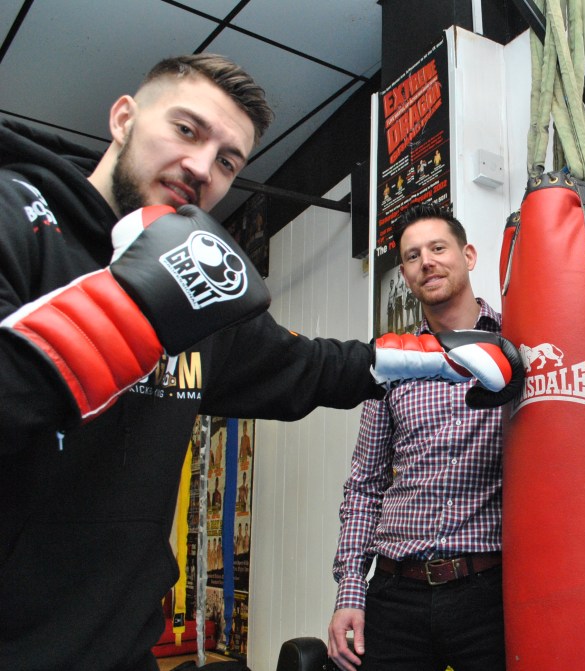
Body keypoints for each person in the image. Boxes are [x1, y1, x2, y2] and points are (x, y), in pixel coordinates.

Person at [0, 54, 521, 671]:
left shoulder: (203, 298)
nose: (201, 168)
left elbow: (305, 365)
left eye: (228, 161)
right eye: (187, 130)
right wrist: (125, 313)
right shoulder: (17, 216)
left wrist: (425, 358)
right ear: (123, 119)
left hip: (122, 645)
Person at [327, 203, 506, 671]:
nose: (425, 261)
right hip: (395, 592)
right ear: (405, 274)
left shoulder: (520, 343)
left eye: (437, 248)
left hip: (487, 592)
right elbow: (364, 485)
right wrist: (350, 591)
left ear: (468, 254)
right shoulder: (392, 362)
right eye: (411, 256)